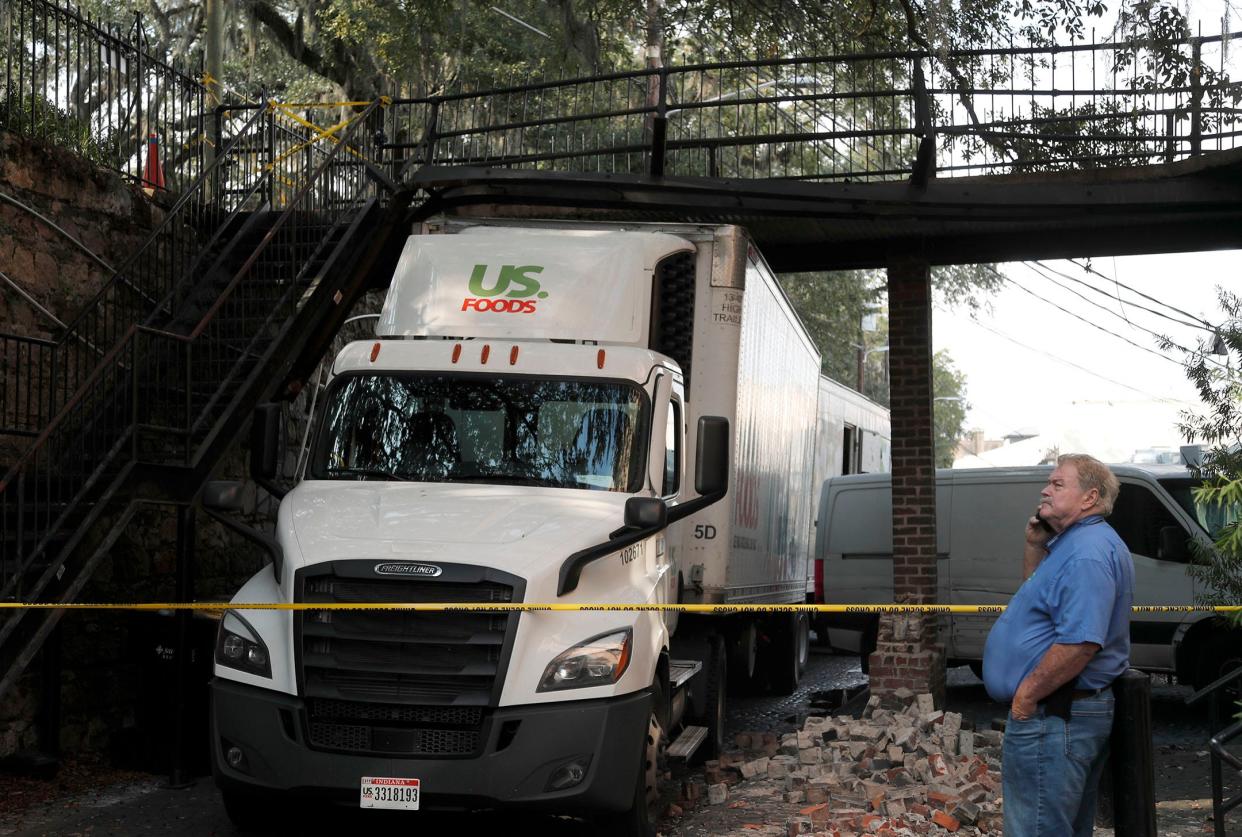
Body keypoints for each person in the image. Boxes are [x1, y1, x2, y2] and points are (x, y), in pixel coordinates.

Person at [982, 453, 1134, 837]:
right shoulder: (1071, 544)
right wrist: (1035, 547)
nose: (1045, 490)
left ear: (1089, 498)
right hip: (1056, 717)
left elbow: (1081, 642)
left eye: (1057, 484)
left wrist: (1026, 699)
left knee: (1037, 830)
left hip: (1054, 716)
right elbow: (1044, 607)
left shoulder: (1086, 553)